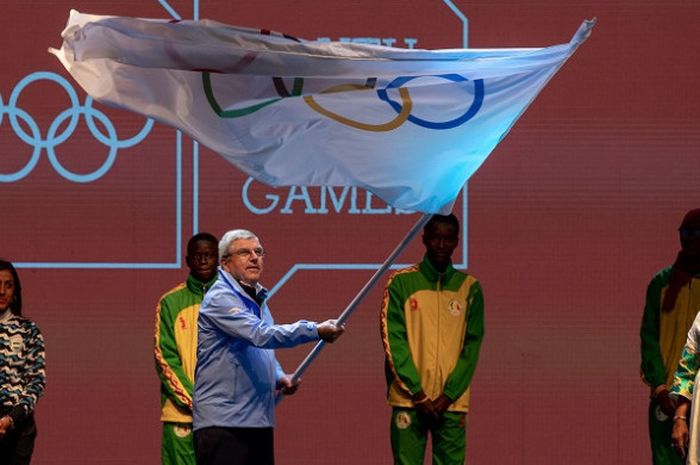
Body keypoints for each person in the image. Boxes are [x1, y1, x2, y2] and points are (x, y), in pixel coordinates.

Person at [192, 229, 344, 465]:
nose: (254, 257)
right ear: (225, 264)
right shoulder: (220, 298)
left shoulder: (257, 298)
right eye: (244, 252)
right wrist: (315, 330)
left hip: (258, 421)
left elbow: (259, 351)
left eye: (259, 252)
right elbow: (260, 335)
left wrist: (277, 376)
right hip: (223, 424)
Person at [380, 213, 484, 465]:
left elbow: (471, 348)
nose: (441, 244)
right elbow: (394, 341)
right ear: (424, 239)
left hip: (451, 403)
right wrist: (418, 393)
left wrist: (448, 395)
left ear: (456, 242)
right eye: (435, 237)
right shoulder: (401, 283)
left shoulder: (469, 288)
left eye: (447, 239)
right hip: (409, 399)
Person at [641, 208, 700, 465]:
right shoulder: (661, 284)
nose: (689, 239)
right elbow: (649, 337)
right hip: (665, 398)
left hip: (697, 395)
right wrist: (660, 385)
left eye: (696, 233)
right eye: (685, 232)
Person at [154, 233, 219, 465]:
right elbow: (164, 358)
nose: (203, 260)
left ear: (218, 259)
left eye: (209, 255)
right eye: (197, 256)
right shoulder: (170, 302)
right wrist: (196, 401)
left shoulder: (234, 301)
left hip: (224, 417)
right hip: (182, 415)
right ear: (187, 260)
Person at [0, 260, 46, 465]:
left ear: (15, 290)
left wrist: (11, 418)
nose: (2, 291)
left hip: (18, 425)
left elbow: (36, 382)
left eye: (8, 285)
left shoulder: (29, 330)